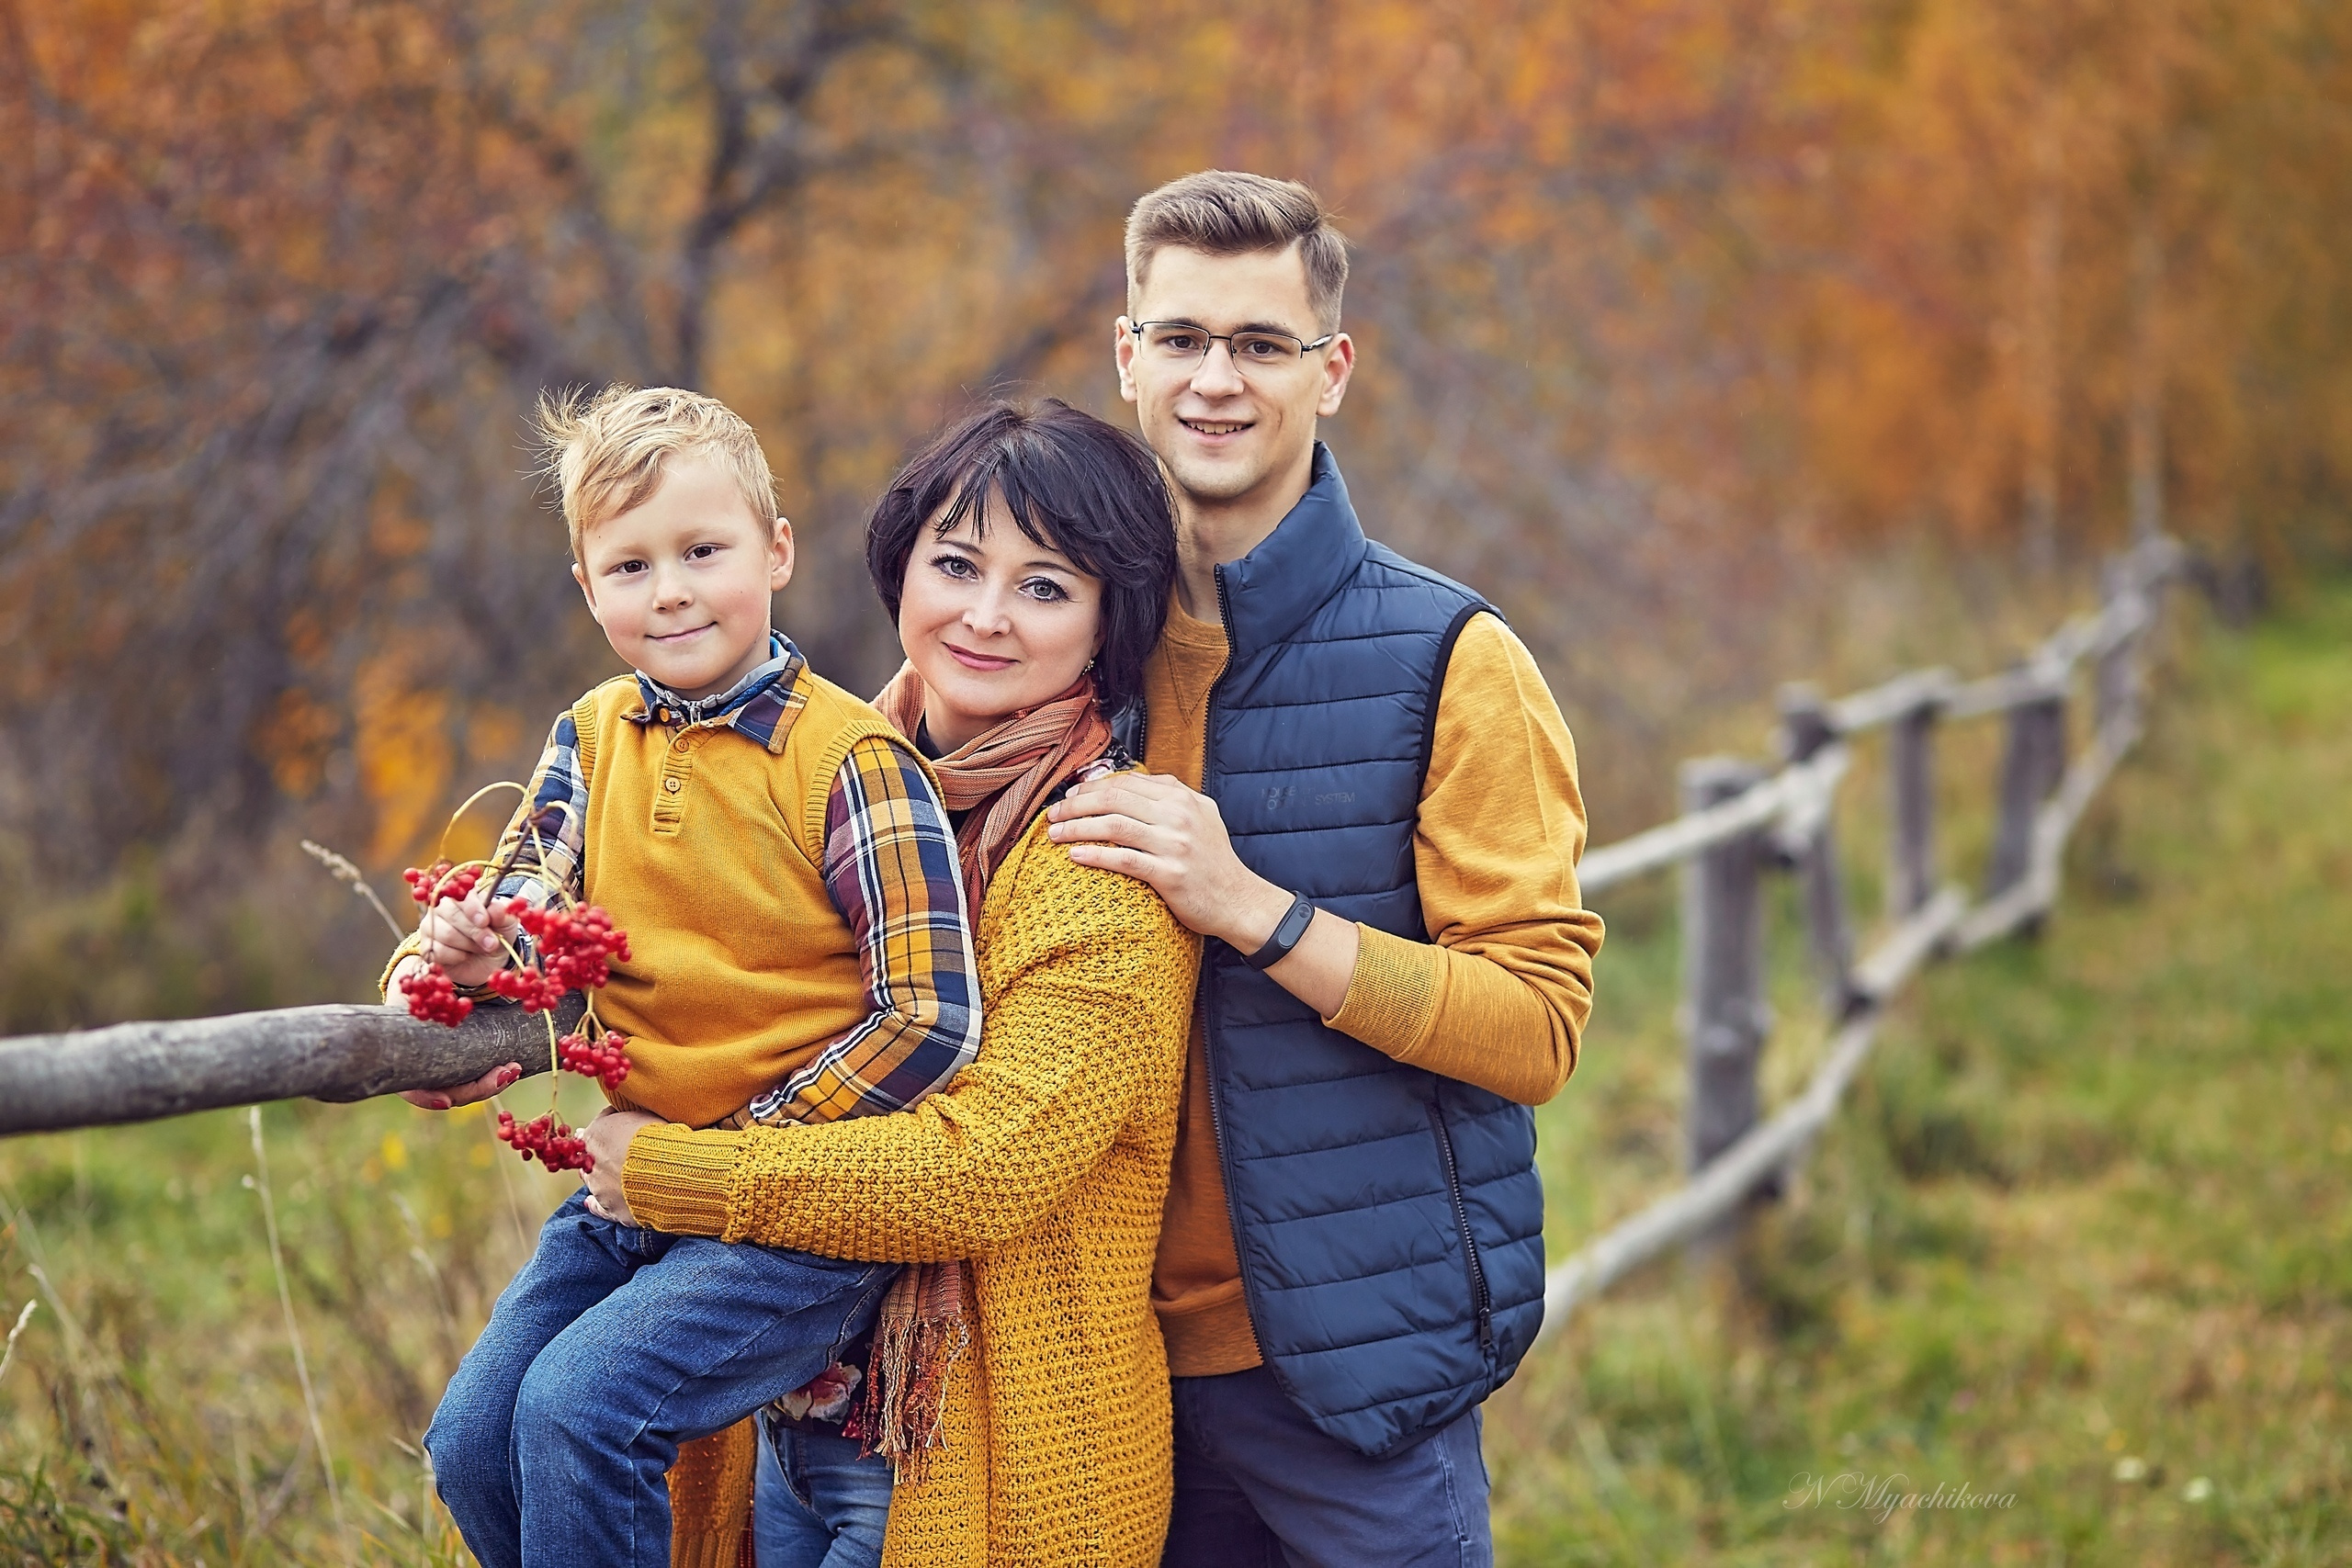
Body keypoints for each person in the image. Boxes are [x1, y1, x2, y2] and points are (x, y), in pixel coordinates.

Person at [1043, 170, 1607, 1566]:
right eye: (1180, 340)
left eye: (1260, 344)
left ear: (1332, 370)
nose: (1215, 380)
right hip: (1098, 1372)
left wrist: (1255, 910)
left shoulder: (1453, 662)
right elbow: (827, 835)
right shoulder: (1045, 647)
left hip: (1354, 1380)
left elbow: (1534, 1028)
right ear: (1127, 357)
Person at [583, 399, 1201, 1567]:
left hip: (991, 1461)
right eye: (956, 564)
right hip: (788, 1427)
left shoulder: (1099, 870)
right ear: (899, 568)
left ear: (1106, 625)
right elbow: (646, 954)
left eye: (1044, 586)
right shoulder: (822, 781)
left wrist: (674, 1168)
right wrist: (454, 984)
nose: (983, 616)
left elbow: (979, 1170)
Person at [384, 384, 983, 1568]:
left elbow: (930, 1016)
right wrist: (447, 956)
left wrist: (737, 1148)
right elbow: (522, 916)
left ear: (774, 551)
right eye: (628, 566)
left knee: (579, 1410)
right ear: (586, 586)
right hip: (627, 1202)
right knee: (470, 1436)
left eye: (702, 552)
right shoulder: (592, 733)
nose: (669, 592)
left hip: (793, 1217)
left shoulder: (850, 759)